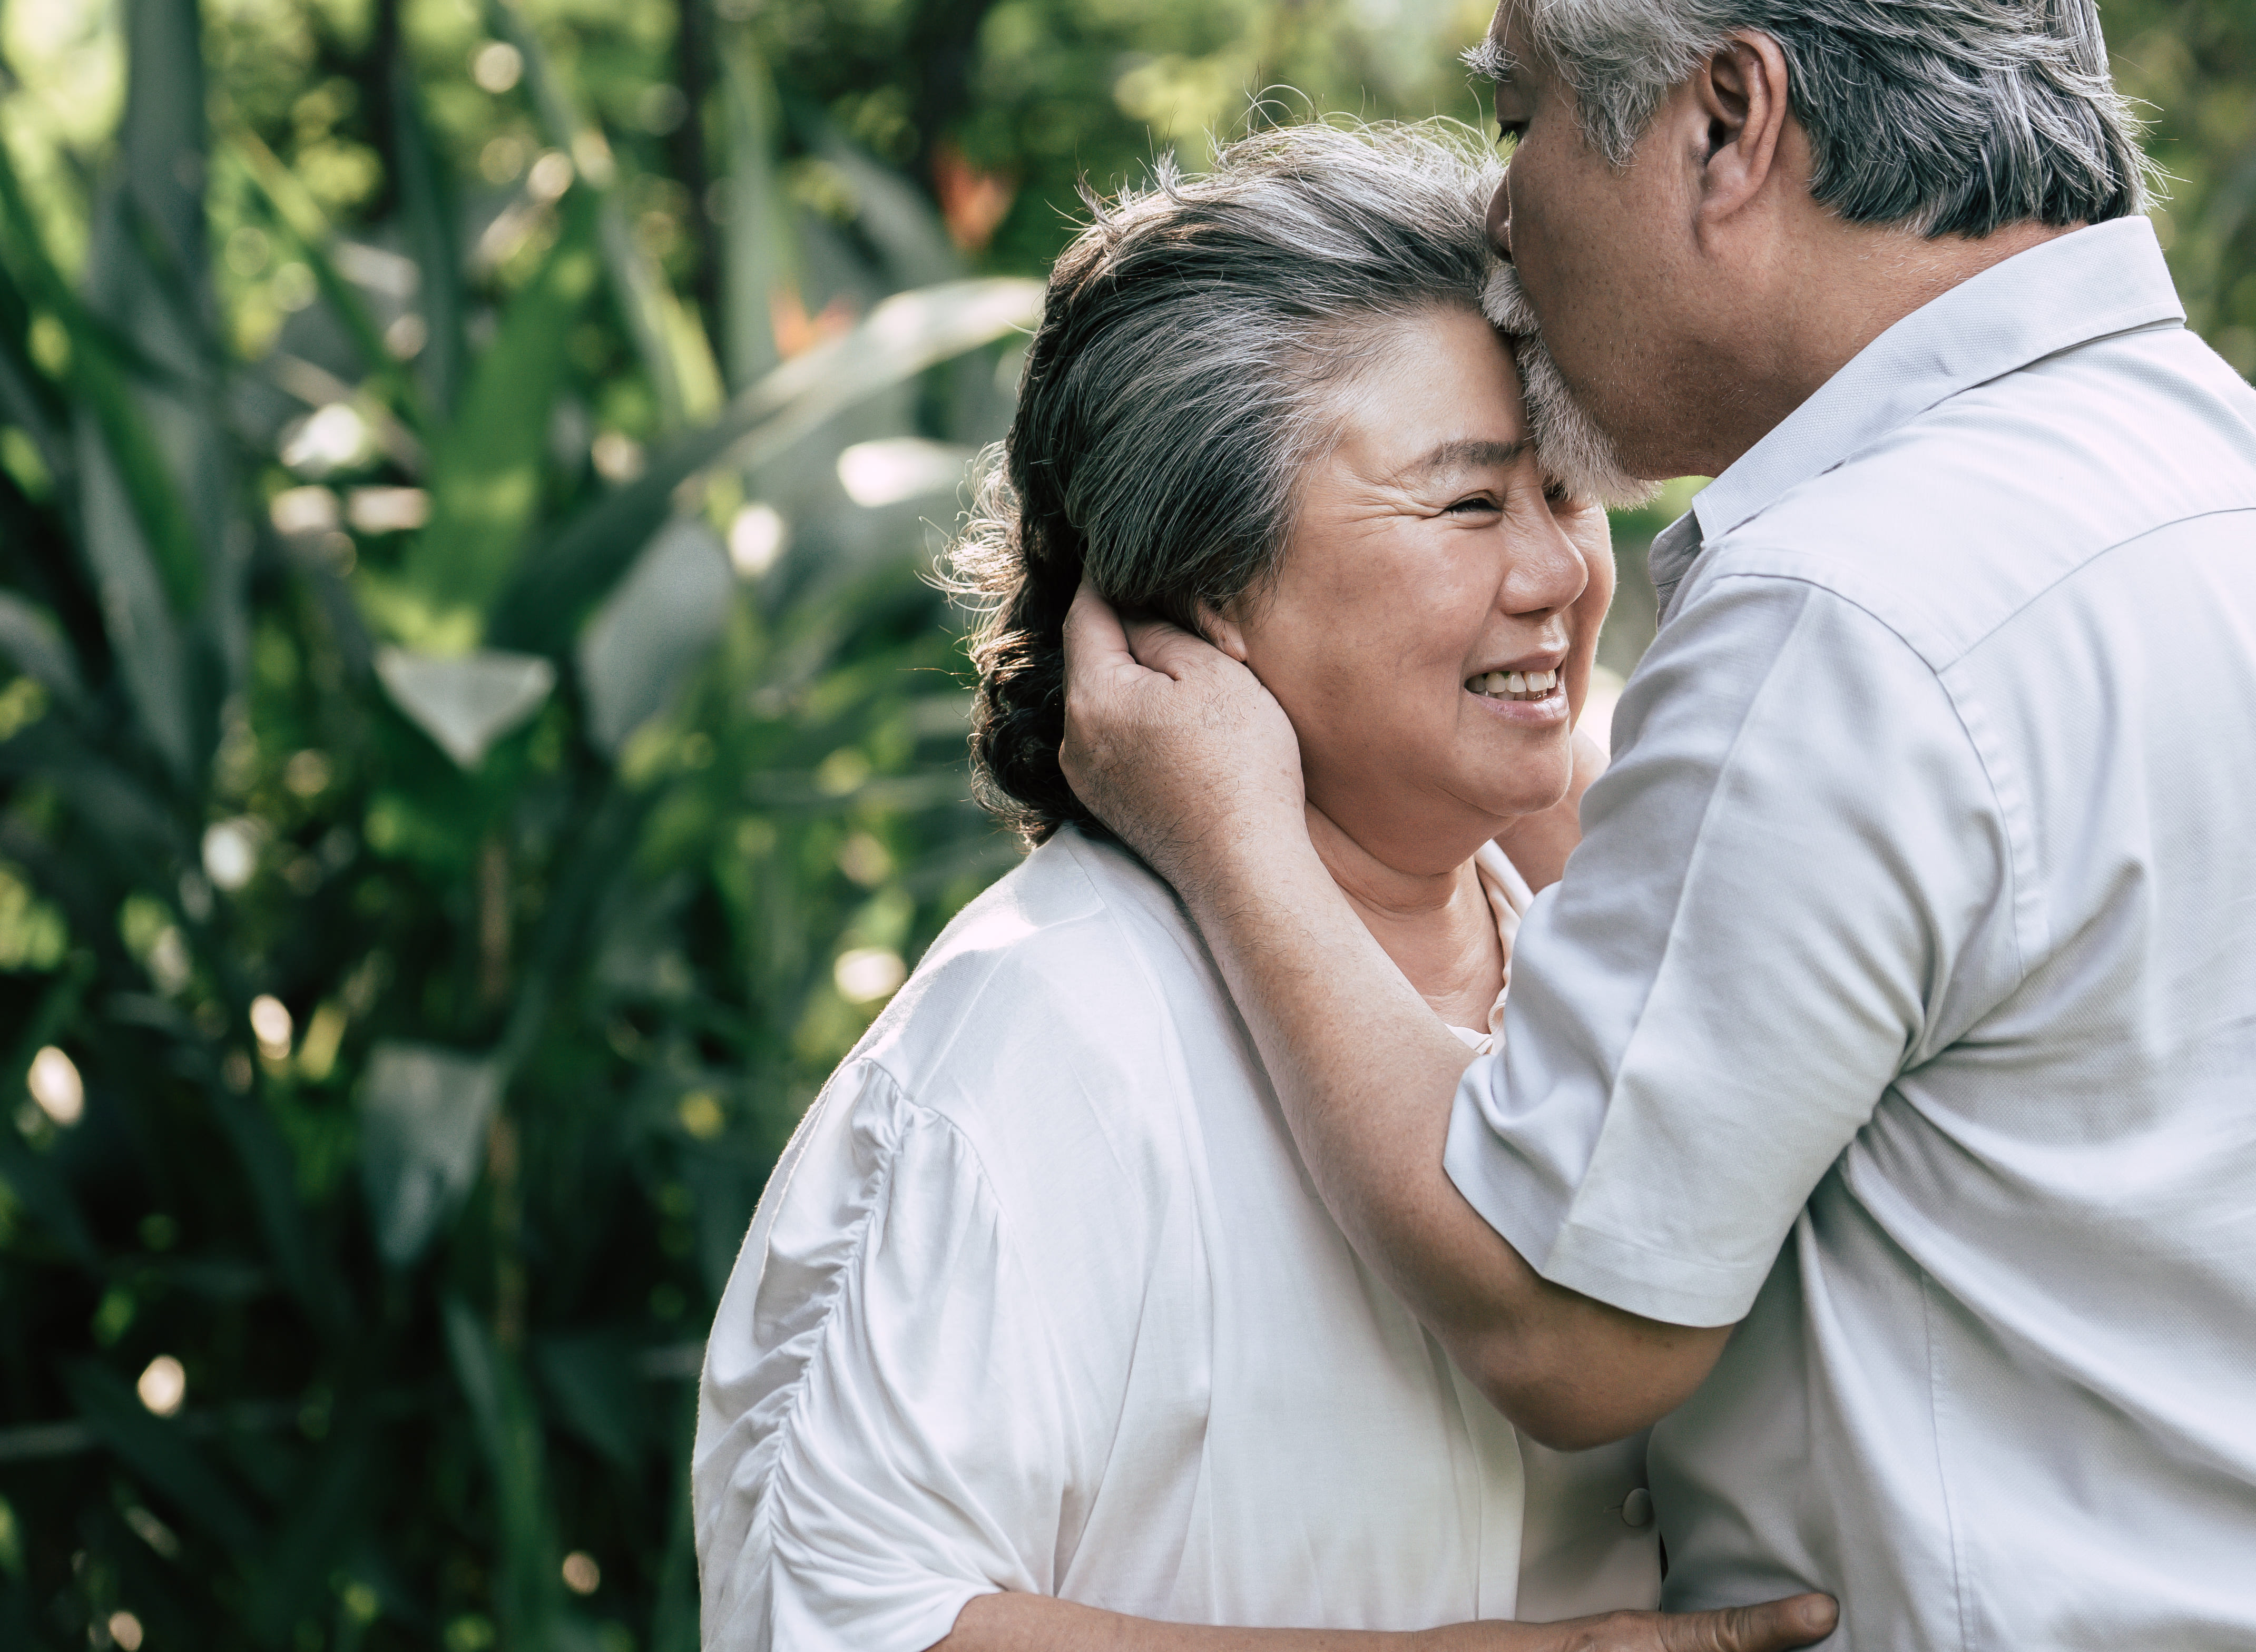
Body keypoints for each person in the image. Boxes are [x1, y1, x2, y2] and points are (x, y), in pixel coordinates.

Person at [1058, 1, 2256, 1648]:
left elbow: (1567, 1319)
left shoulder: (1853, 607)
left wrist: (1230, 836)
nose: (1501, 206)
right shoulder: (2195, 472)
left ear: (1725, 124)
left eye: (1522, 117)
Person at [693, 123, 1833, 1652]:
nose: (1562, 573)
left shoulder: (1583, 949)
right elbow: (842, 1620)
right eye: (1466, 504)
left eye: (1568, 492)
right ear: (1205, 591)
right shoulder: (1055, 1025)